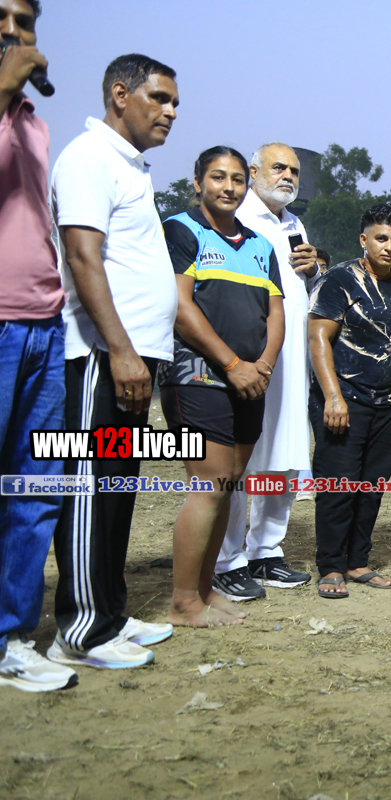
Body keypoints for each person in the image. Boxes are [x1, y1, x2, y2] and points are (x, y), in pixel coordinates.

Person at [48, 54, 179, 669]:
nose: (170, 112)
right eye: (160, 99)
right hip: (101, 354)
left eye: (175, 103)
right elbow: (82, 257)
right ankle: (80, 631)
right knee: (86, 488)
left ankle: (110, 611)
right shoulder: (88, 157)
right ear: (121, 95)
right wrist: (121, 349)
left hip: (133, 356)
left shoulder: (129, 166)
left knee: (117, 489)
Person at [160, 146, 283, 627]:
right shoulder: (180, 230)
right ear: (198, 183)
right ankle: (183, 602)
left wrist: (262, 365)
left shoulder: (260, 245)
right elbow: (180, 306)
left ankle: (205, 590)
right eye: (217, 177)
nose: (228, 187)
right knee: (208, 486)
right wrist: (232, 364)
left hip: (251, 378)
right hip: (198, 374)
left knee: (228, 485)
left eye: (236, 179)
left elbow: (276, 313)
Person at [0, 0, 78, 692]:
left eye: (25, 22)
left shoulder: (34, 122)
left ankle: (14, 636)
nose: (14, 32)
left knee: (35, 490)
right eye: (2, 18)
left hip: (43, 327)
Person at [214, 142, 315, 602]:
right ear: (253, 172)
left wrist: (315, 268)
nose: (287, 176)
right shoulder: (235, 215)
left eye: (293, 170)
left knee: (285, 453)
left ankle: (266, 551)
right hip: (249, 357)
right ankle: (228, 558)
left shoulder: (295, 224)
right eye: (278, 168)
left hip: (291, 359)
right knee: (238, 459)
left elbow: (296, 287)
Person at [307, 204, 391, 598]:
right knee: (339, 485)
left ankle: (357, 561)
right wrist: (333, 397)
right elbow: (318, 337)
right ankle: (331, 566)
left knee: (372, 486)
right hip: (345, 399)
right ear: (364, 240)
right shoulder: (339, 279)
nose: (388, 247)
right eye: (381, 239)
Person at [295, 246, 332, 503]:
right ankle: (303, 481)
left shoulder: (332, 296)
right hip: (299, 370)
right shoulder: (297, 296)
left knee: (323, 432)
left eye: (321, 267)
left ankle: (321, 481)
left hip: (321, 375)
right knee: (298, 429)